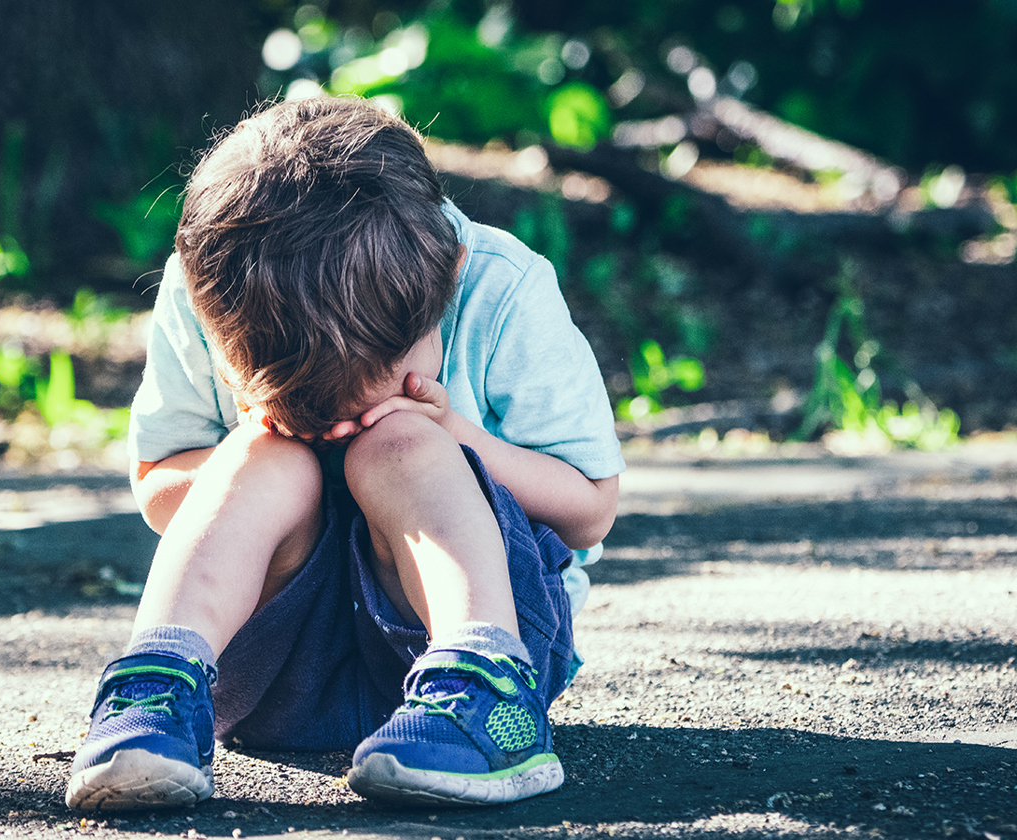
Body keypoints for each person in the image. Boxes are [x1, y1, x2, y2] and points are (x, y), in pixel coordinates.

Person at [65, 95, 624, 811]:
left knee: (400, 441)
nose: (337, 423)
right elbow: (155, 483)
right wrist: (258, 445)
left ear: (446, 279)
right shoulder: (212, 287)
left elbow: (590, 510)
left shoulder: (502, 285)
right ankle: (158, 687)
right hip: (271, 667)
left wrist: (461, 439)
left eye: (366, 389)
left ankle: (485, 684)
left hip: (466, 637)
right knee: (263, 458)